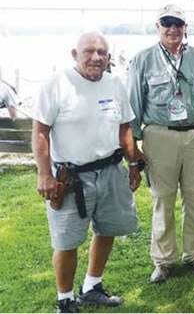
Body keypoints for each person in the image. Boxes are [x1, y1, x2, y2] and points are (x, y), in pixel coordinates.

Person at [32, 32, 142, 313]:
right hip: (70, 178)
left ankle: (92, 286)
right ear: (74, 54)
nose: (96, 57)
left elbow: (124, 127)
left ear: (108, 58)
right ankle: (65, 299)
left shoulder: (115, 83)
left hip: (110, 170)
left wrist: (132, 163)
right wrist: (44, 174)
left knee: (108, 229)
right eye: (89, 51)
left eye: (102, 53)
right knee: (67, 240)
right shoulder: (55, 84)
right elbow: (41, 132)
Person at [127, 5, 194, 283]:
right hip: (159, 136)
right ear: (158, 26)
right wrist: (134, 149)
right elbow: (132, 105)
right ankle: (163, 259)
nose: (173, 29)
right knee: (163, 199)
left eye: (178, 23)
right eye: (167, 23)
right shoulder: (142, 59)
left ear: (185, 27)